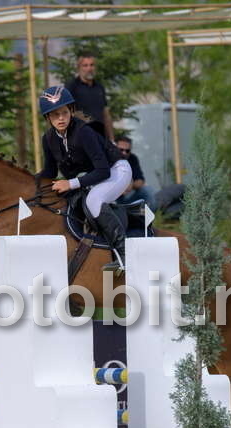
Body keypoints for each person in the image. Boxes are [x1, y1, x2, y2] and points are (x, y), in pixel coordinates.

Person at [36, 85, 130, 271]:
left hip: (116, 171)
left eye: (64, 112)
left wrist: (70, 183)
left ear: (71, 111)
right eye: (55, 115)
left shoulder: (84, 132)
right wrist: (27, 182)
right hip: (92, 177)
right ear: (48, 118)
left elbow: (103, 171)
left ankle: (125, 254)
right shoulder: (48, 139)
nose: (61, 118)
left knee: (94, 200)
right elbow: (50, 172)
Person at [64, 53, 113, 141]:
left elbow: (106, 114)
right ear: (79, 68)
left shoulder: (99, 87)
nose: (89, 69)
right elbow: (67, 111)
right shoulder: (72, 86)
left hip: (100, 137)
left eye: (92, 65)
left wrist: (111, 139)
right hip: (80, 137)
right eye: (85, 65)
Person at [114, 135, 155, 210]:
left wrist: (130, 185)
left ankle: (147, 216)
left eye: (127, 151)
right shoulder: (108, 159)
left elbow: (140, 180)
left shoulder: (132, 158)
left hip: (127, 196)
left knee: (148, 190)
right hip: (111, 196)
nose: (124, 153)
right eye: (121, 150)